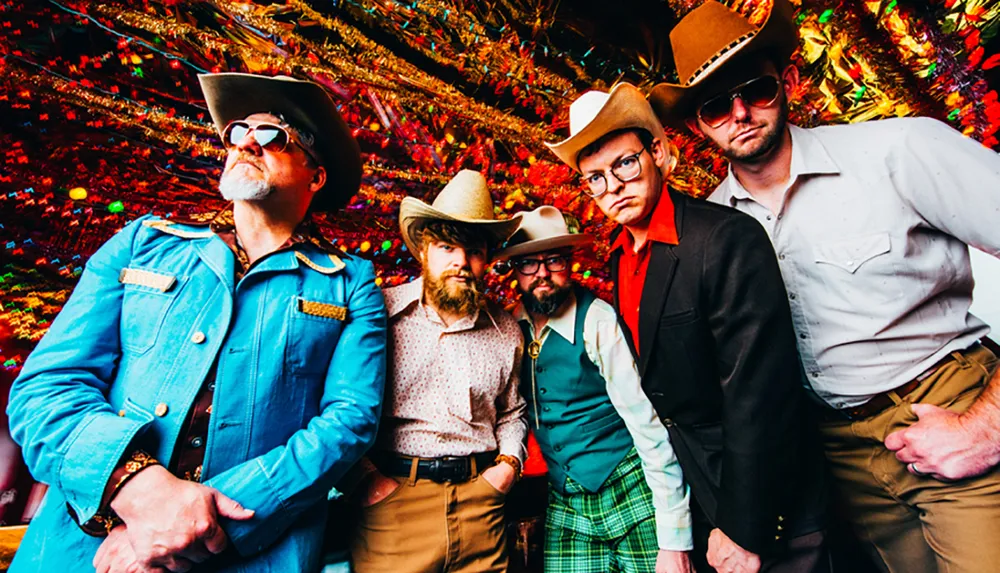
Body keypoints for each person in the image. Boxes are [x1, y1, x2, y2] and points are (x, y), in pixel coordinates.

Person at [649, 0, 1000, 571]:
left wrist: (987, 426)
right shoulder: (708, 232)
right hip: (833, 464)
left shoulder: (899, 151)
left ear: (787, 81)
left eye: (756, 90)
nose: (739, 113)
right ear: (698, 125)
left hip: (944, 414)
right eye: (716, 105)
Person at [6, 73, 387, 572]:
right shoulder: (142, 242)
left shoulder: (350, 283)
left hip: (249, 555)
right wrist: (134, 491)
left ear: (315, 176)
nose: (247, 140)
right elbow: (47, 387)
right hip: (87, 549)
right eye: (236, 131)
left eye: (273, 135)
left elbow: (348, 424)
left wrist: (193, 524)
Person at [545, 80, 829, 573]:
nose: (612, 187)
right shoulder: (620, 255)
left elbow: (760, 394)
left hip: (769, 502)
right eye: (595, 177)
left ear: (658, 151)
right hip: (701, 496)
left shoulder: (724, 237)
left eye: (624, 164)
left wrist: (744, 527)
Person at [497, 205, 694, 573]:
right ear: (514, 269)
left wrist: (675, 538)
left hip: (629, 487)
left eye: (553, 259)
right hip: (567, 501)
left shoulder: (598, 321)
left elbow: (647, 426)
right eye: (528, 263)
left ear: (569, 262)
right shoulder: (510, 327)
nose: (542, 273)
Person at [348, 170, 527, 573]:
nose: (461, 263)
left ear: (488, 261)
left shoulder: (506, 329)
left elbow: (512, 411)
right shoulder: (378, 314)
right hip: (394, 505)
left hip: (482, 504)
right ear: (424, 251)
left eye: (474, 251)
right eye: (448, 247)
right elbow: (338, 403)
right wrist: (367, 481)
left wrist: (507, 468)